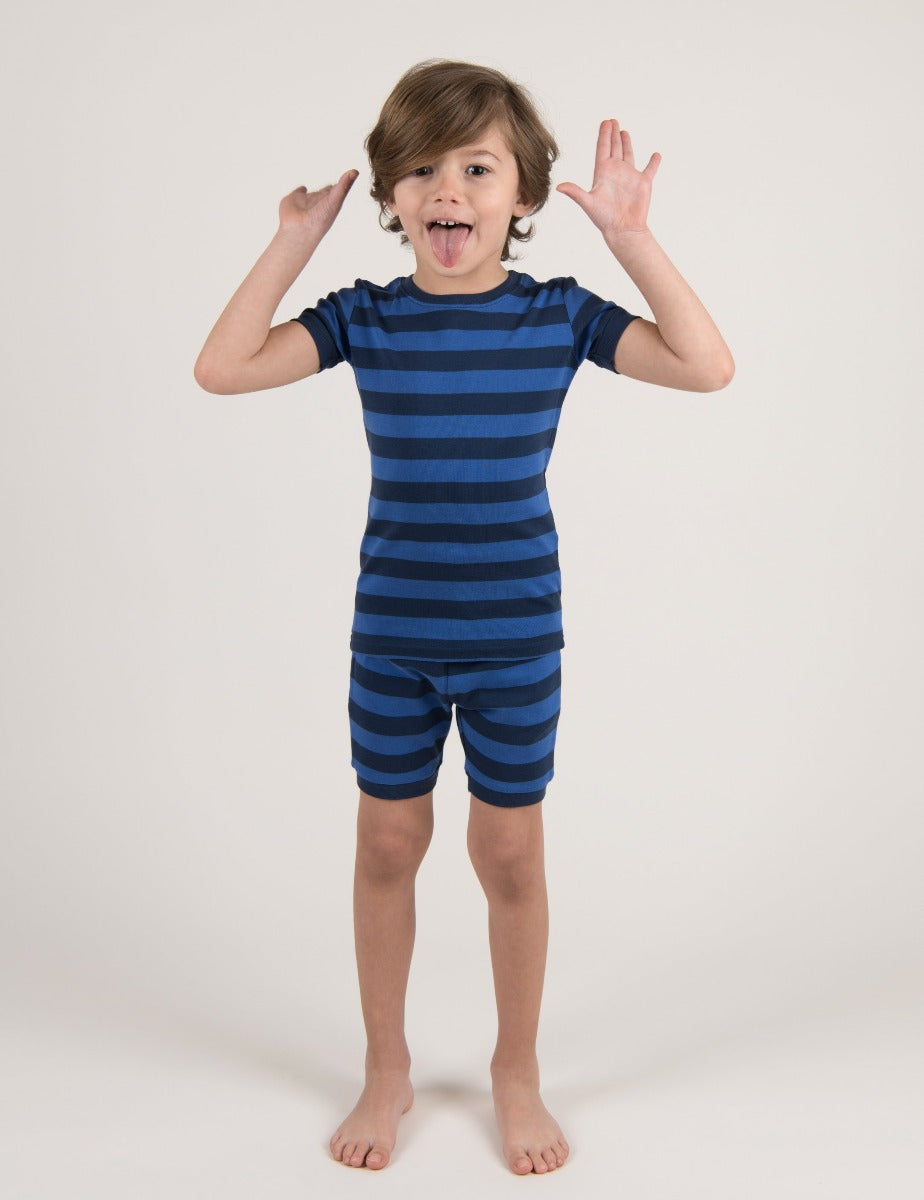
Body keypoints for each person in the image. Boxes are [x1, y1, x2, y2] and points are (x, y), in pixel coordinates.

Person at [194, 58, 734, 1176]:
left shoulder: (557, 315)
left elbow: (706, 365)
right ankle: (385, 1065)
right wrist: (293, 242)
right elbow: (222, 367)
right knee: (388, 842)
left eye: (477, 168)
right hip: (393, 636)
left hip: (515, 639)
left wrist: (632, 238)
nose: (448, 189)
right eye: (423, 170)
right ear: (393, 194)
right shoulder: (365, 318)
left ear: (522, 194)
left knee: (510, 854)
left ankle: (515, 1070)